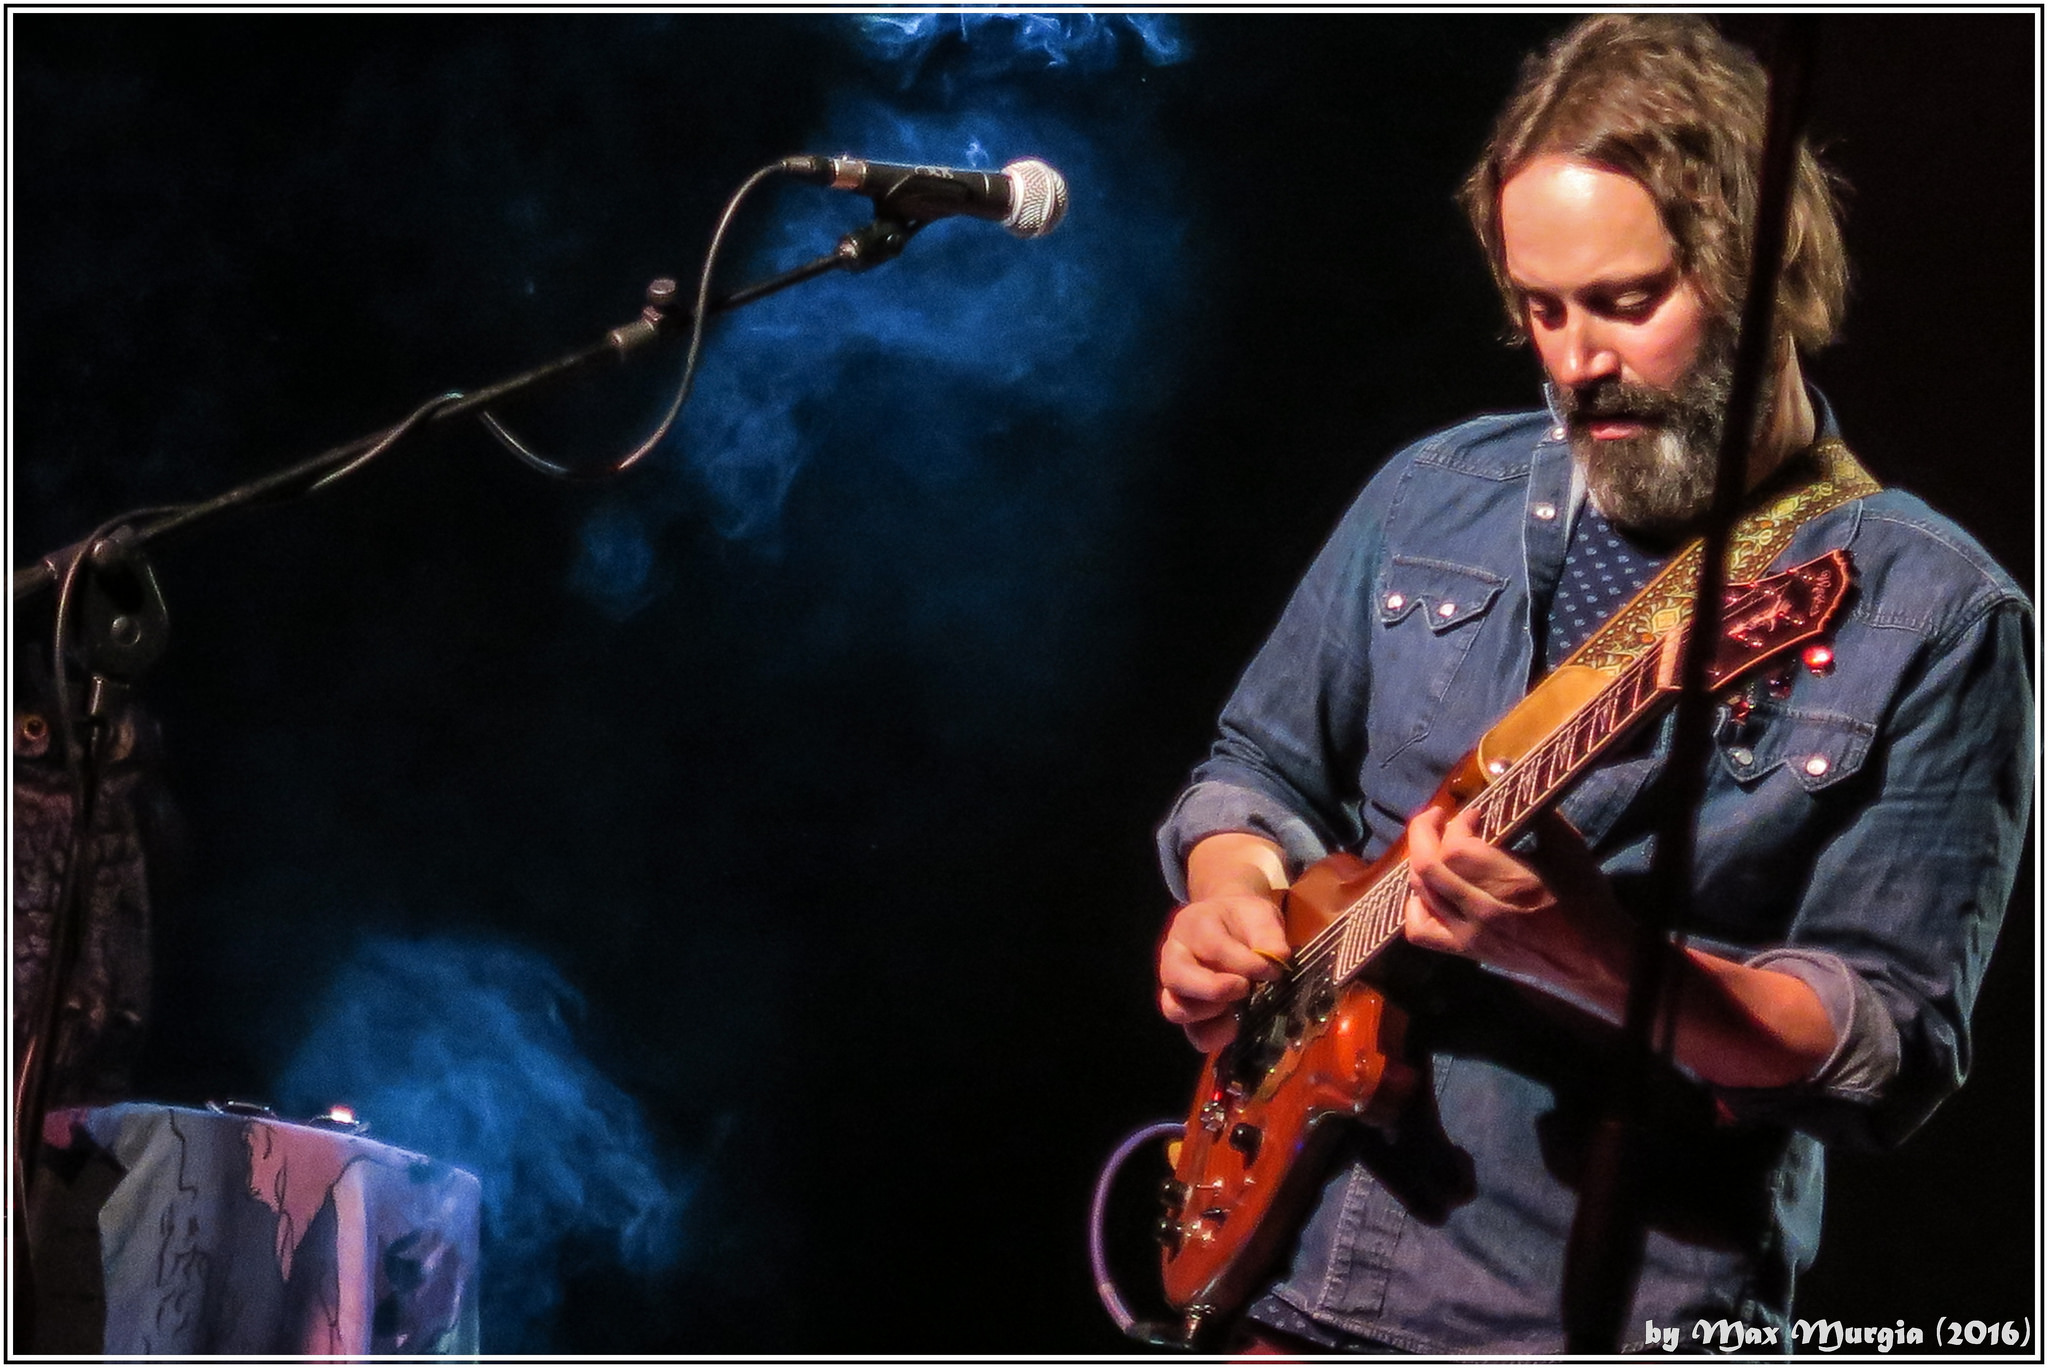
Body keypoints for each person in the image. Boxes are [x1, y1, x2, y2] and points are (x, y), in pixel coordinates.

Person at [1153, 14, 2032, 1355]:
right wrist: (1229, 898)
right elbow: (1255, 766)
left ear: (1763, 266)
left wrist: (1598, 958)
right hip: (1297, 1276)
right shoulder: (1432, 490)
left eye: (1627, 302)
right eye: (1541, 308)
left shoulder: (1939, 612)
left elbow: (1884, 1052)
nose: (1576, 360)